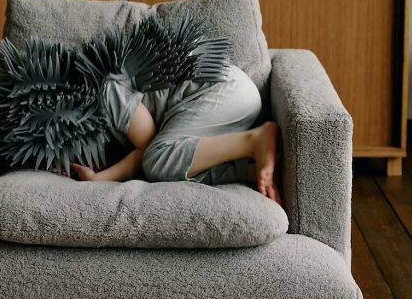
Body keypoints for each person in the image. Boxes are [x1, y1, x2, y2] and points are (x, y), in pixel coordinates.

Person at [71, 63, 282, 204]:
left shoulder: (107, 88)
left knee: (157, 161)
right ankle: (249, 170)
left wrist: (99, 179)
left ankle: (254, 141)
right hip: (222, 107)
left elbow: (147, 148)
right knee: (177, 165)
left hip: (225, 91)